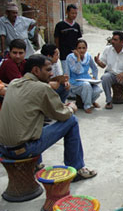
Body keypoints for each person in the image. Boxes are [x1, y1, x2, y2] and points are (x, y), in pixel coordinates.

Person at [0, 54, 97, 182]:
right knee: (72, 121)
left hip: (4, 148)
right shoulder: (42, 88)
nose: (51, 74)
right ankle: (77, 169)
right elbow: (62, 115)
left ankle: (36, 165)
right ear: (35, 70)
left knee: (36, 121)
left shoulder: (13, 84)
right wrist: (71, 108)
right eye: (48, 70)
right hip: (23, 149)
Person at [94, 30, 123, 109]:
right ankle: (109, 101)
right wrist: (98, 62)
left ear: (122, 42)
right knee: (105, 77)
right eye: (112, 39)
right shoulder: (108, 49)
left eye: (115, 40)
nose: (112, 41)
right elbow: (103, 65)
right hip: (111, 74)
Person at [67, 39, 102, 113]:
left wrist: (94, 77)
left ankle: (92, 101)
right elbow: (77, 70)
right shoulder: (70, 57)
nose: (81, 50)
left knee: (98, 90)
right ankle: (87, 106)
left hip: (87, 79)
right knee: (86, 85)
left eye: (84, 48)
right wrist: (78, 58)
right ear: (76, 49)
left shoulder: (88, 56)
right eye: (79, 48)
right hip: (75, 81)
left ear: (86, 48)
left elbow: (94, 68)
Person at [54, 4, 82, 76]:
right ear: (67, 13)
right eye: (72, 13)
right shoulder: (60, 25)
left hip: (74, 54)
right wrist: (58, 50)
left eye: (76, 13)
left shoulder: (76, 26)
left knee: (75, 72)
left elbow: (78, 40)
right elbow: (56, 38)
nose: (74, 15)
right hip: (64, 54)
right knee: (66, 74)